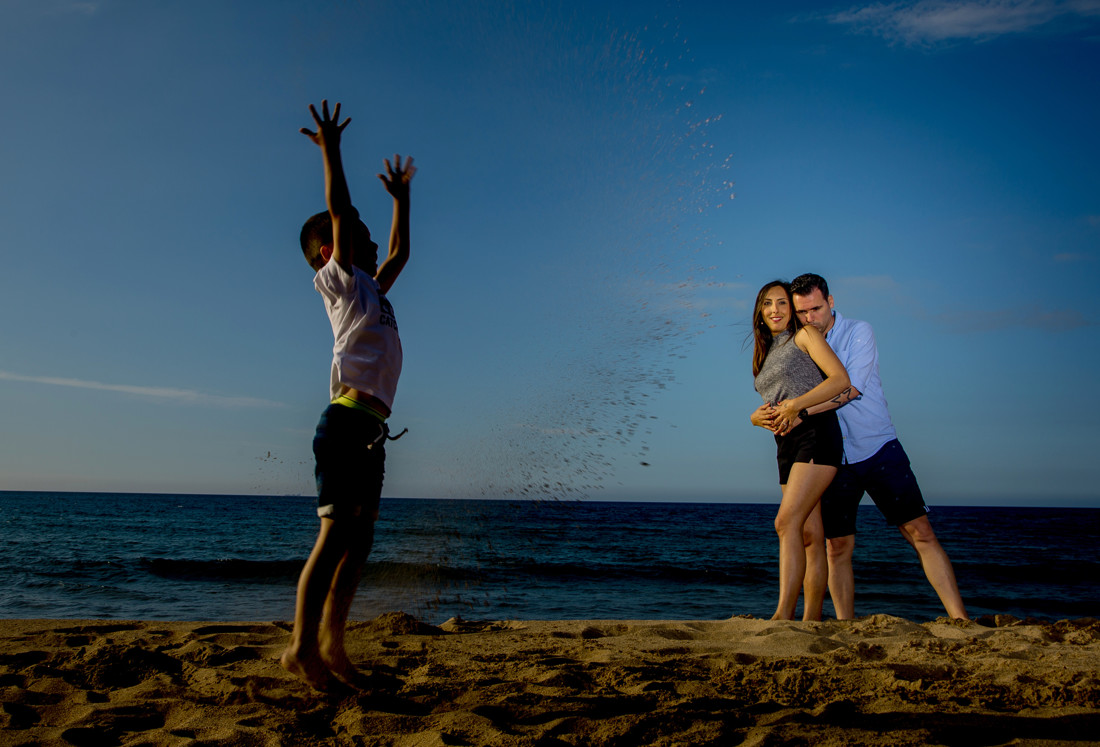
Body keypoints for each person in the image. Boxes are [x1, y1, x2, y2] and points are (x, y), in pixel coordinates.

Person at [280, 100, 416, 690]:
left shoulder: (373, 287)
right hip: (343, 424)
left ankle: (335, 647)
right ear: (330, 253)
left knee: (358, 546)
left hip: (372, 434)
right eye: (356, 236)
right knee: (333, 537)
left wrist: (401, 202)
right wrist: (331, 150)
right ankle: (300, 648)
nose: (366, 240)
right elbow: (339, 209)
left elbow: (402, 254)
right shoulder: (339, 284)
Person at [785, 272, 967, 620]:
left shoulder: (859, 332)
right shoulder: (799, 344)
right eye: (803, 313)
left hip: (878, 448)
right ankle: (845, 626)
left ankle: (960, 620)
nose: (811, 318)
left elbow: (849, 390)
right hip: (833, 458)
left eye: (816, 309)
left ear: (831, 301)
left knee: (920, 533)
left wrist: (800, 410)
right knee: (837, 546)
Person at [749, 280, 850, 621]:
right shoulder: (766, 353)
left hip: (815, 434)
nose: (774, 309)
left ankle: (782, 615)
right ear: (760, 313)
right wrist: (756, 417)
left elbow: (840, 380)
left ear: (791, 309)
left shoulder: (805, 336)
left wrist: (796, 406)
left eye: (781, 303)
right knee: (809, 532)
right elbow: (772, 402)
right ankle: (812, 619)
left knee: (785, 522)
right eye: (767, 304)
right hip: (785, 444)